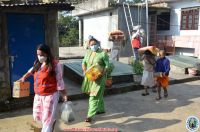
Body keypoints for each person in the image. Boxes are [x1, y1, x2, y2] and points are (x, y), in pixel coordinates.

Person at [18, 44, 67, 132]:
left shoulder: (55, 65)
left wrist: (64, 94)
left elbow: (59, 81)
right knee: (37, 115)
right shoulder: (37, 63)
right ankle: (52, 121)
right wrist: (24, 77)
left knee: (47, 119)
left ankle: (48, 126)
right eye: (38, 54)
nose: (39, 57)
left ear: (47, 54)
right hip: (38, 94)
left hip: (50, 95)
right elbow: (31, 70)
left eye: (42, 55)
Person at [81, 37, 110, 122]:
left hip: (99, 79)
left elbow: (107, 66)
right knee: (98, 95)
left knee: (93, 96)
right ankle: (101, 110)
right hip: (90, 77)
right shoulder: (88, 53)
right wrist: (85, 70)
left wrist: (101, 73)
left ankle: (89, 115)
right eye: (91, 45)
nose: (93, 46)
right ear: (89, 46)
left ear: (98, 44)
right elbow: (83, 62)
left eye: (94, 44)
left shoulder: (103, 54)